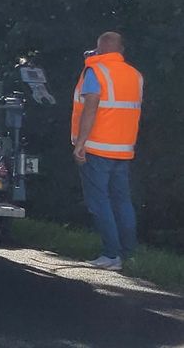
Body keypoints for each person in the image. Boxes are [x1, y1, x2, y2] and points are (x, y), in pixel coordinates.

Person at [71, 31, 143, 270]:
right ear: (121, 50)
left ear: (99, 49)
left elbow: (91, 105)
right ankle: (128, 254)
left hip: (97, 147)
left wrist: (81, 143)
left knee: (99, 201)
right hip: (123, 149)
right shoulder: (135, 75)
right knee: (122, 201)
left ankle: (111, 255)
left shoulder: (96, 71)